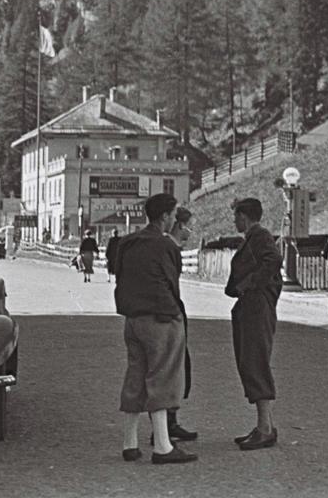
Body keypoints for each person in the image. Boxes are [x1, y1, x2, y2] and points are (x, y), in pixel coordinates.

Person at [113, 193, 197, 464]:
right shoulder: (165, 246)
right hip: (161, 317)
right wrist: (174, 314)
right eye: (173, 214)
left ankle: (130, 443)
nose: (174, 219)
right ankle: (163, 446)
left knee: (135, 375)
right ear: (164, 216)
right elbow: (172, 282)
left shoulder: (128, 242)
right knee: (162, 377)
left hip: (132, 318)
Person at [226, 197, 283, 451]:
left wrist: (250, 283)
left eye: (237, 216)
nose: (235, 220)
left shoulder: (260, 235)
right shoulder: (254, 236)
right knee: (250, 360)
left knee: (254, 361)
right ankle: (265, 425)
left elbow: (273, 260)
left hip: (257, 305)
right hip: (251, 305)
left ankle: (264, 428)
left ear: (245, 216)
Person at [163, 207, 197, 443]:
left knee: (179, 366)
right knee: (171, 367)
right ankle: (164, 426)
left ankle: (170, 421)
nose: (189, 233)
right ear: (178, 226)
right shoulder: (167, 247)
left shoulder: (171, 247)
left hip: (173, 308)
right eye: (187, 227)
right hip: (168, 311)